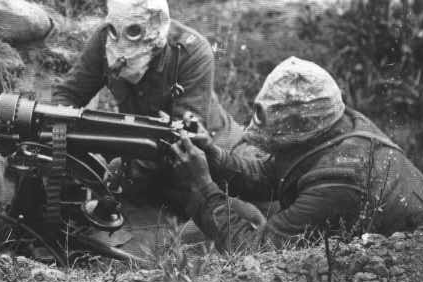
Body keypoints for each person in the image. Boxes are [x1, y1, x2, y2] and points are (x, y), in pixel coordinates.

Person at [170, 56, 423, 252]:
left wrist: (203, 187)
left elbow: (254, 250)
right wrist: (211, 155)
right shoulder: (335, 124)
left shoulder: (339, 179)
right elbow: (272, 174)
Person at [52, 0, 247, 209]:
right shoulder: (105, 39)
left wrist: (119, 174)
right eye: (115, 29)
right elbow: (69, 94)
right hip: (141, 156)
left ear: (155, 25)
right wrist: (68, 145)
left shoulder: (191, 53)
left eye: (134, 31)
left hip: (208, 155)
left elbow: (181, 140)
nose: (120, 40)